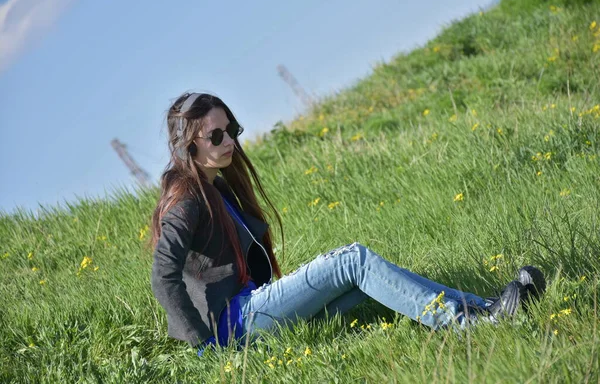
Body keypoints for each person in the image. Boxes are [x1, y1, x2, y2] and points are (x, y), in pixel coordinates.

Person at [149, 92, 546, 356]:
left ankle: (486, 309)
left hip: (252, 312)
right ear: (190, 145)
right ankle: (469, 324)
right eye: (215, 136)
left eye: (230, 130)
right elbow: (163, 274)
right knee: (351, 260)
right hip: (236, 325)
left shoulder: (217, 188)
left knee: (364, 283)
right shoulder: (186, 198)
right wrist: (205, 347)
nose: (228, 141)